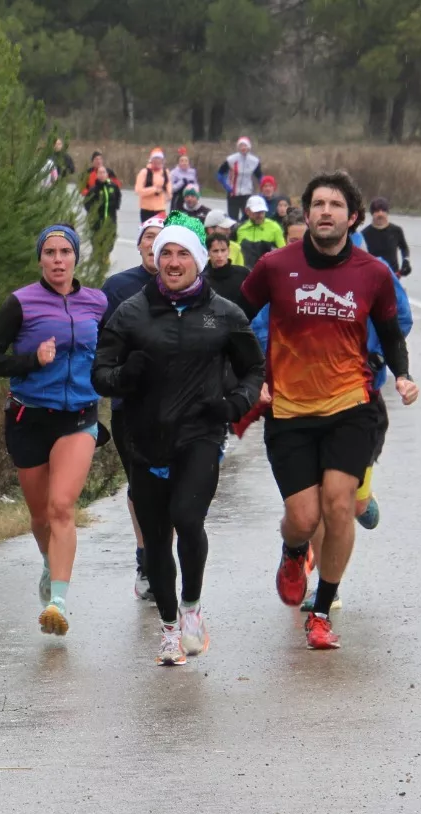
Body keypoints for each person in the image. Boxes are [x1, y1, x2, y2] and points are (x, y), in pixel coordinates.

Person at [240, 170, 419, 650]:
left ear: (351, 216)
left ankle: (321, 611)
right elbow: (236, 320)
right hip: (290, 409)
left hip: (350, 404)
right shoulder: (276, 267)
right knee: (302, 517)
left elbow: (391, 329)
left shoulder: (373, 273)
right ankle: (293, 550)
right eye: (317, 204)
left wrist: (400, 373)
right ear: (308, 212)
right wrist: (247, 379)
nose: (325, 212)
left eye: (335, 205)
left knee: (339, 504)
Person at [93, 215, 265, 665]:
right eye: (165, 252)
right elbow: (101, 374)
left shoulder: (224, 314)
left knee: (187, 519)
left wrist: (234, 404)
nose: (172, 261)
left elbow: (253, 369)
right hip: (142, 437)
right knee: (154, 535)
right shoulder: (130, 313)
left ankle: (191, 609)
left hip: (201, 433)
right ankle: (168, 629)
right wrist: (125, 375)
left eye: (182, 253)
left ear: (200, 260)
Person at [0, 225, 109, 636]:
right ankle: (49, 563)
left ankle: (58, 602)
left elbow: (113, 351)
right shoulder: (20, 303)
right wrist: (32, 360)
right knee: (39, 518)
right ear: (40, 259)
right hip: (29, 417)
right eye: (50, 252)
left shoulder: (97, 302)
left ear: (75, 258)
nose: (57, 259)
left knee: (61, 508)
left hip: (78, 418)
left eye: (65, 251)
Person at [102, 213, 171, 601]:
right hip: (130, 404)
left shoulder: (186, 285)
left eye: (160, 238)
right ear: (141, 244)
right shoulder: (117, 287)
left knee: (171, 484)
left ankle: (160, 556)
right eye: (147, 237)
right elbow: (99, 346)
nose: (152, 244)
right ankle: (147, 559)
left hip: (177, 406)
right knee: (142, 486)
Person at [82, 165, 124, 285]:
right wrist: (93, 212)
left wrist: (115, 205)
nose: (101, 175)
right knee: (96, 241)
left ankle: (105, 255)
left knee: (110, 240)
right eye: (99, 173)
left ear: (107, 174)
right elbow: (87, 203)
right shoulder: (94, 189)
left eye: (103, 172)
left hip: (110, 220)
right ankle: (98, 261)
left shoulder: (113, 187)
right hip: (97, 222)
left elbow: (118, 197)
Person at [362, 197, 411, 277]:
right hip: (372, 278)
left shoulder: (396, 231)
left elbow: (404, 248)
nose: (380, 214)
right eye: (377, 211)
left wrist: (406, 261)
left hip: (393, 277)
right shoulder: (364, 234)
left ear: (387, 213)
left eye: (383, 211)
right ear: (372, 213)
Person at [216, 136, 263, 221]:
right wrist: (226, 186)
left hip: (247, 193)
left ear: (249, 147)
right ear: (238, 147)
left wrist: (263, 190)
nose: (243, 148)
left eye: (245, 145)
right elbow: (220, 174)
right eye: (241, 146)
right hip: (233, 193)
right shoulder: (231, 159)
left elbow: (260, 176)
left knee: (248, 218)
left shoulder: (254, 161)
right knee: (232, 219)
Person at [232, 195, 284, 269]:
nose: (260, 215)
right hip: (245, 272)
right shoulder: (239, 228)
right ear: (247, 211)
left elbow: (283, 251)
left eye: (262, 212)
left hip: (266, 271)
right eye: (256, 212)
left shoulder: (275, 227)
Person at [205, 234, 251, 315]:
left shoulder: (243, 274)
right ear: (208, 252)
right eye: (215, 251)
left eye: (223, 250)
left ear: (228, 251)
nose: (219, 255)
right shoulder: (202, 280)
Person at [136, 147, 171, 223]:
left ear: (162, 161)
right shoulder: (144, 172)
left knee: (160, 232)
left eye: (160, 160)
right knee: (147, 232)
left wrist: (167, 195)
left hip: (160, 209)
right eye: (155, 160)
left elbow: (169, 190)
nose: (158, 162)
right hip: (146, 209)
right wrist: (154, 189)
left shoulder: (166, 172)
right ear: (151, 160)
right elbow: (138, 191)